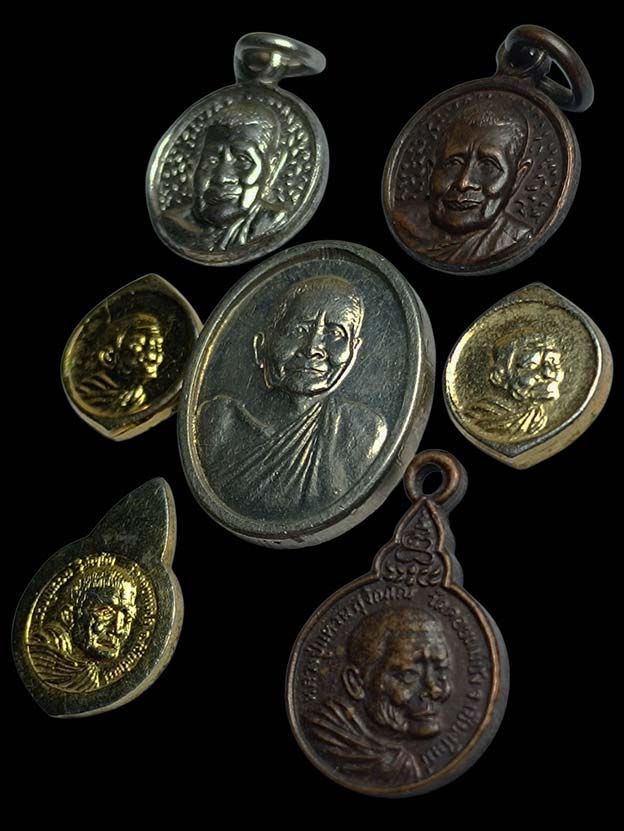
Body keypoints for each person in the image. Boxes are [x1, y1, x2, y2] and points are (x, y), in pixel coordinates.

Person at [201, 275, 387, 515]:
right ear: (261, 346)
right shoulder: (218, 422)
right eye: (299, 330)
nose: (312, 349)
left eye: (335, 333)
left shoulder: (363, 431)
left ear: (353, 350)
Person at [308, 608, 452, 783]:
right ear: (356, 683)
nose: (435, 689)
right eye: (408, 675)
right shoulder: (326, 738)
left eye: (440, 670)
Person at [396, 102, 532, 264]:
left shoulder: (512, 237)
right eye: (453, 163)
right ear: (432, 168)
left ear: (518, 177)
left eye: (488, 166)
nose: (463, 183)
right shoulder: (403, 222)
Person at [163, 101, 288, 251]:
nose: (221, 178)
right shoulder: (173, 225)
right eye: (212, 160)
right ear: (194, 166)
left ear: (272, 167)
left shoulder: (273, 221)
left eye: (242, 160)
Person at [28, 561, 139, 693]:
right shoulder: (42, 654)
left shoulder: (87, 673)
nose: (118, 630)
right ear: (69, 615)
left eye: (127, 617)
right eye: (106, 613)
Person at [464, 331, 564, 436]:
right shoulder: (479, 417)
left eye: (554, 365)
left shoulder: (538, 417)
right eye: (531, 366)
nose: (548, 373)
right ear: (499, 376)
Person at [77, 313, 164, 415]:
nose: (153, 356)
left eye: (158, 347)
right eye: (140, 344)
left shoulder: (137, 393)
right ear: (109, 356)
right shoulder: (89, 392)